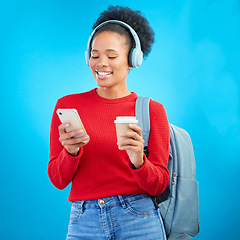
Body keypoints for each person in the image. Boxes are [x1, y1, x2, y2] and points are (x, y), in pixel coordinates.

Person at [48, 5, 170, 240]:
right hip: (84, 221)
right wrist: (71, 152)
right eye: (94, 55)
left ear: (133, 59)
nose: (101, 63)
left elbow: (158, 186)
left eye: (111, 56)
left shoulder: (152, 111)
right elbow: (58, 179)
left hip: (139, 219)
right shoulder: (68, 106)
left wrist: (138, 159)